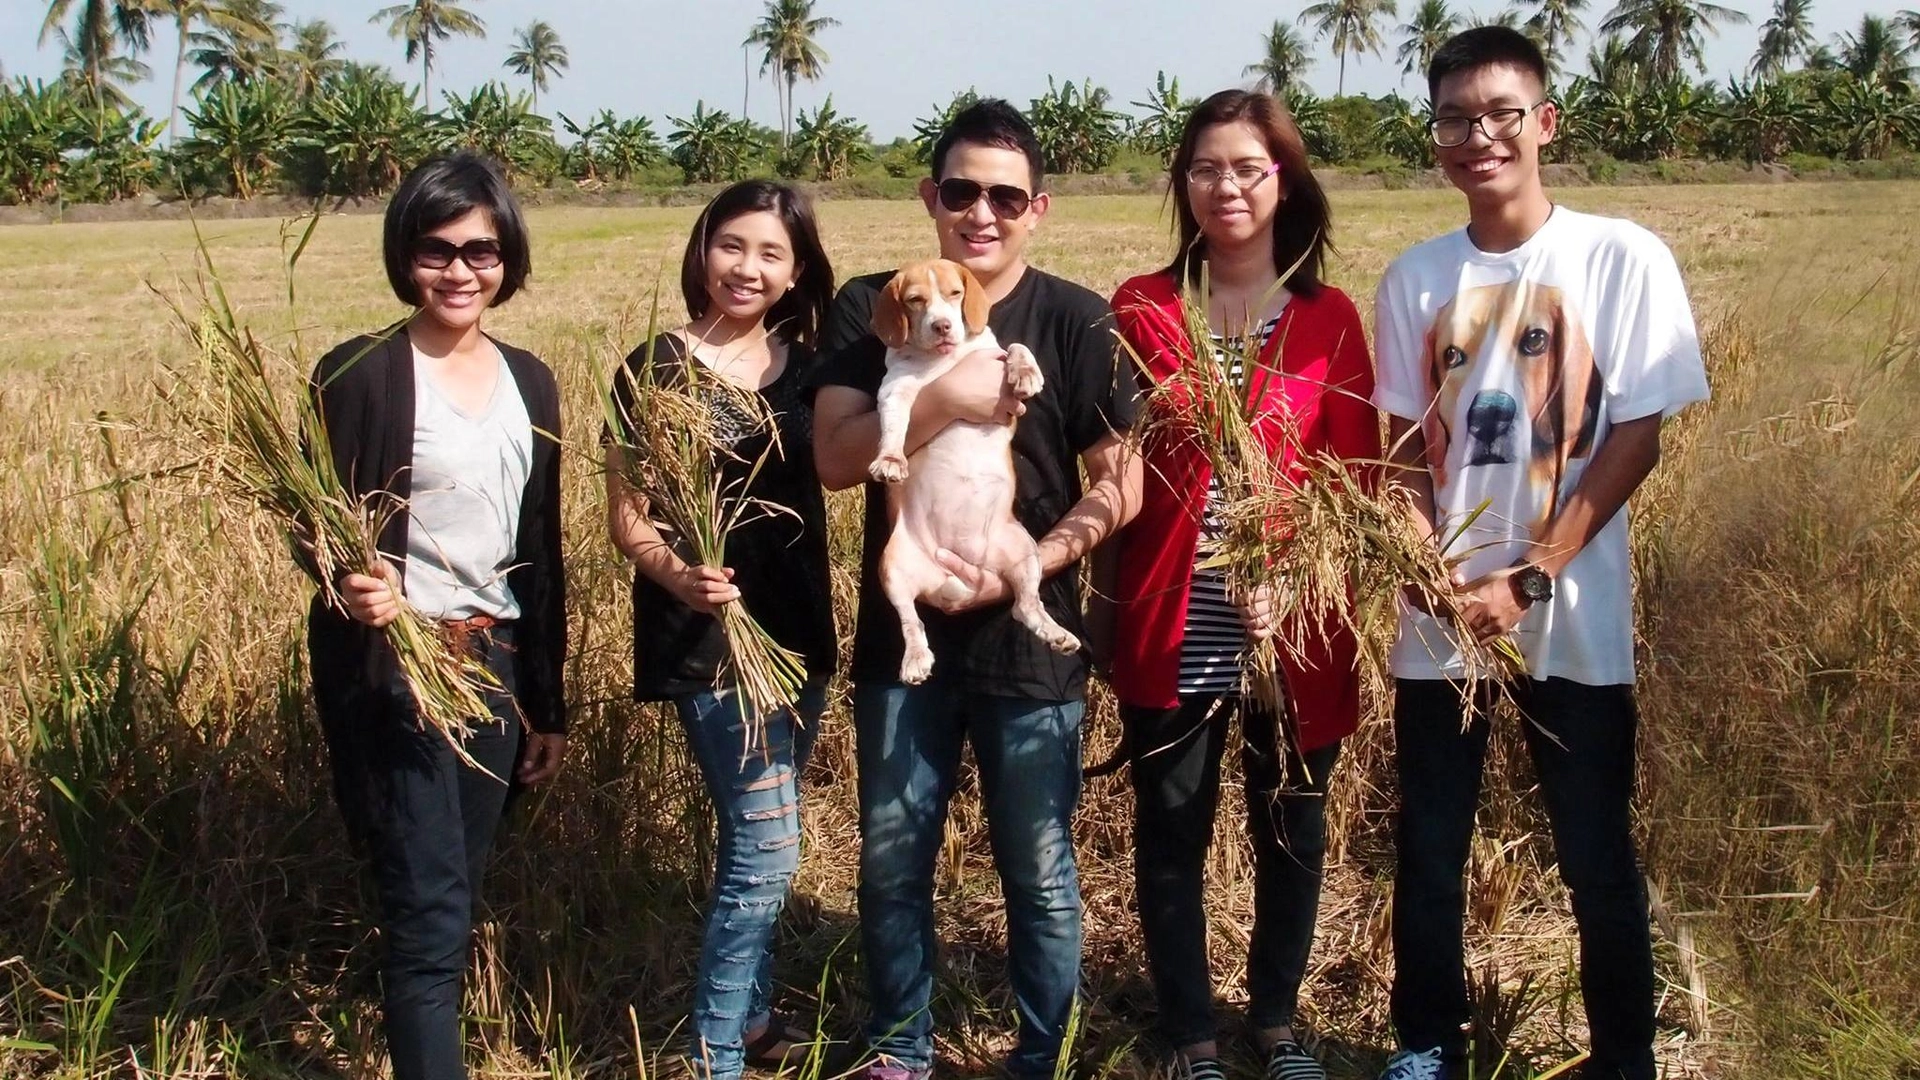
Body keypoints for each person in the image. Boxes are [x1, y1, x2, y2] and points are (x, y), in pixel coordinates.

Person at [1370, 27, 1709, 1080]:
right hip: (1438, 629)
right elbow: (1397, 456)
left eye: (1501, 113)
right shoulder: (1415, 280)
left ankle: (1624, 1059)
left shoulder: (1620, 255)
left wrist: (1528, 576)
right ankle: (1425, 1047)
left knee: (1595, 856)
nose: (1480, 136)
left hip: (1573, 615)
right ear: (1436, 140)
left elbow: (1635, 434)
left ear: (1544, 123)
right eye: (1456, 118)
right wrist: (1433, 572)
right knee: (1427, 853)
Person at [809, 99, 1142, 1080]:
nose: (981, 212)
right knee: (890, 864)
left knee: (1039, 872)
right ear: (931, 198)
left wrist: (1044, 560)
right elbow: (834, 459)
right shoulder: (870, 308)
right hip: (903, 642)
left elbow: (1120, 476)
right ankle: (900, 1051)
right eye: (962, 191)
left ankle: (1044, 1054)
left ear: (1037, 207)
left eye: (1005, 195)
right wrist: (944, 396)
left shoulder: (1076, 319)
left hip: (1028, 641)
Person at [1103, 89, 1380, 1080]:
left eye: (1249, 168)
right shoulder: (1141, 305)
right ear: (1183, 182)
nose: (1227, 186)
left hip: (1291, 627)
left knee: (1290, 828)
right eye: (1208, 167)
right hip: (1173, 617)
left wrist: (1296, 572)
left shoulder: (1329, 318)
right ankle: (1190, 1035)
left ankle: (1275, 1023)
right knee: (1171, 829)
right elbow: (1115, 458)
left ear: (1284, 181)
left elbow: (1358, 479)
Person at [305, 149, 569, 1080]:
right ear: (405, 257)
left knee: (449, 890)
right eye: (436, 250)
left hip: (490, 661)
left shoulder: (531, 383)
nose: (460, 272)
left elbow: (540, 550)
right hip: (400, 667)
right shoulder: (360, 373)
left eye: (481, 251)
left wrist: (547, 704)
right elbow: (318, 520)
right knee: (431, 909)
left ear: (508, 258)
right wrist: (347, 581)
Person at [604, 179, 838, 1080]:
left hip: (796, 634)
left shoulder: (812, 366)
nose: (747, 267)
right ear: (703, 250)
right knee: (768, 846)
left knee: (760, 843)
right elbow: (629, 518)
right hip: (707, 645)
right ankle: (713, 1055)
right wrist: (682, 577)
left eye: (771, 253)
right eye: (731, 245)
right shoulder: (653, 367)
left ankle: (755, 1021)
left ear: (796, 271)